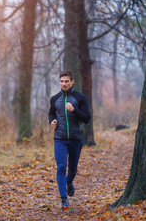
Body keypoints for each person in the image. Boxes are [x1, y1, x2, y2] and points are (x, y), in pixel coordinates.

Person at [48, 70, 91, 210]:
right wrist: (52, 121)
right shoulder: (54, 99)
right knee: (61, 167)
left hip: (75, 139)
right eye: (61, 81)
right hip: (59, 139)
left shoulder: (80, 98)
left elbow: (86, 118)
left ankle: (69, 182)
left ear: (72, 81)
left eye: (67, 81)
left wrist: (74, 110)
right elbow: (51, 112)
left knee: (72, 170)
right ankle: (64, 199)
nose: (64, 84)